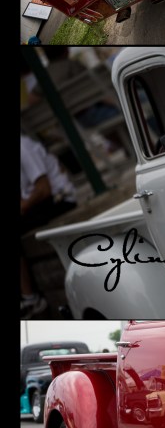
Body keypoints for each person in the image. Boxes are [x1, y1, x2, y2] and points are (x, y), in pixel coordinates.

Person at [21, 132, 78, 317]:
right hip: (38, 204)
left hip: (59, 200)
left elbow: (43, 189)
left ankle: (31, 299)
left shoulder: (23, 146)